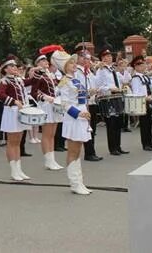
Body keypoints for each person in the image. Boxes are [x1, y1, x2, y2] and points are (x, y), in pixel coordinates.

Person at [58, 54, 91, 195]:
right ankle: (74, 183)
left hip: (82, 115)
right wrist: (78, 113)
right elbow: (64, 103)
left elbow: (81, 98)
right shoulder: (64, 81)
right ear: (64, 67)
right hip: (74, 117)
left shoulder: (76, 79)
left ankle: (80, 182)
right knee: (73, 149)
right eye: (70, 63)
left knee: (79, 150)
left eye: (74, 62)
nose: (74, 65)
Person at [0, 56, 31, 181]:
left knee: (18, 141)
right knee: (12, 142)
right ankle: (13, 170)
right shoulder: (5, 81)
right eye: (12, 66)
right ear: (5, 69)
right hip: (11, 111)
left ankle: (19, 168)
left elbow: (30, 83)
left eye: (15, 66)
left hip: (20, 111)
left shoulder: (18, 80)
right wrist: (14, 101)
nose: (15, 67)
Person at [30, 46, 65, 170]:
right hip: (45, 105)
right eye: (43, 61)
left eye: (46, 60)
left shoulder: (49, 73)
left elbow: (54, 88)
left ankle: (52, 159)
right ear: (38, 63)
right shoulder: (37, 74)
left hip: (53, 104)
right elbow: (34, 92)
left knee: (52, 134)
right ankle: (48, 160)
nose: (46, 62)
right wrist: (44, 98)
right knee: (46, 134)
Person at [73, 47, 102, 162]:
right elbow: (77, 86)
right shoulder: (77, 71)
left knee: (92, 128)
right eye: (84, 58)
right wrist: (87, 91)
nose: (87, 60)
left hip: (92, 101)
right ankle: (89, 153)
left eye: (88, 58)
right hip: (84, 102)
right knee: (87, 128)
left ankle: (92, 151)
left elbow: (95, 83)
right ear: (79, 58)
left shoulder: (89, 71)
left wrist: (96, 90)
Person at [129, 56, 152, 151]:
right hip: (142, 102)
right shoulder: (135, 78)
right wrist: (145, 98)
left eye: (143, 64)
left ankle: (150, 143)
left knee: (149, 124)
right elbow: (136, 92)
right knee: (144, 124)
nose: (143, 66)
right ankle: (145, 144)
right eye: (140, 65)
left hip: (149, 101)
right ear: (136, 67)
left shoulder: (145, 76)